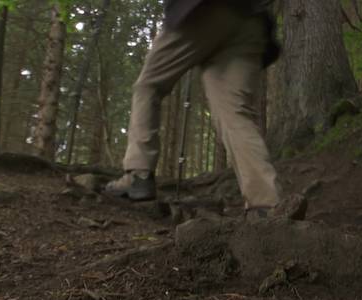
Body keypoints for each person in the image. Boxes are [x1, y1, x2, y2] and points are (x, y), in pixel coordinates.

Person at [106, 0, 281, 216]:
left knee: (148, 86)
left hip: (203, 10)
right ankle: (265, 203)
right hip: (250, 20)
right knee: (234, 114)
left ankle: (138, 175)